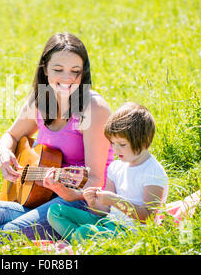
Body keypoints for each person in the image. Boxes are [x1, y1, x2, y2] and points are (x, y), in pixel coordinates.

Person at [0, 32, 115, 240]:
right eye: (58, 70)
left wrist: (66, 192)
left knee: (5, 233)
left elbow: (95, 180)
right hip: (41, 197)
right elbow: (11, 135)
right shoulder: (41, 101)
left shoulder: (93, 107)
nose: (67, 78)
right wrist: (4, 153)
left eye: (75, 71)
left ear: (83, 73)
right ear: (45, 69)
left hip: (81, 203)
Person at [47, 102, 169, 243]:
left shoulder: (153, 172)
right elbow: (105, 211)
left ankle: (79, 242)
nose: (116, 150)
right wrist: (93, 202)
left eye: (122, 145)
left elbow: (148, 216)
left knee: (84, 232)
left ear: (143, 141)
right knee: (56, 211)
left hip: (131, 232)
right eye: (112, 143)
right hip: (109, 222)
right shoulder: (116, 167)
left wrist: (115, 200)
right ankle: (83, 242)